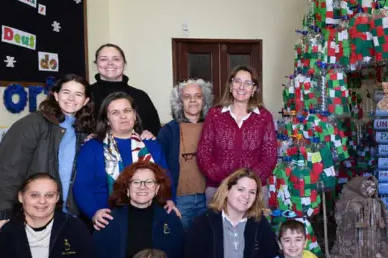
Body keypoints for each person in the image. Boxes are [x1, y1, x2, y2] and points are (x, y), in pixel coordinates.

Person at [0, 73, 95, 238]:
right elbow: (8, 169)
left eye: (78, 94)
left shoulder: (84, 130)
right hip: (35, 214)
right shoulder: (32, 124)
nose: (71, 98)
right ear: (56, 95)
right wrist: (3, 212)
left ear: (85, 101)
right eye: (66, 92)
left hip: (69, 215)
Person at [74, 93, 175, 231]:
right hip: (107, 219)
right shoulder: (92, 147)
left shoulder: (151, 145)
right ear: (107, 120)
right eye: (115, 113)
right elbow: (82, 185)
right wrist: (94, 212)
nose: (123, 116)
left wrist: (170, 200)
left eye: (127, 111)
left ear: (134, 115)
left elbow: (165, 178)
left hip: (149, 216)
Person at [196, 65, 278, 201]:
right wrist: (227, 182)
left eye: (248, 83)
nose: (241, 87)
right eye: (237, 81)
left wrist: (246, 184)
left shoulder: (264, 117)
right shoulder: (215, 114)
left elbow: (270, 158)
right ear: (230, 85)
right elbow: (203, 154)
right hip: (219, 189)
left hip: (253, 191)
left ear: (254, 89)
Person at [157, 79, 213, 229]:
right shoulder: (168, 131)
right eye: (187, 97)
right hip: (179, 199)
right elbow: (159, 168)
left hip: (208, 197)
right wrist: (167, 197)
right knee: (180, 239)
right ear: (180, 102)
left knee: (207, 239)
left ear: (204, 100)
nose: (193, 100)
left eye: (198, 96)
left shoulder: (213, 127)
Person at [87, 43, 161, 135]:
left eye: (116, 59)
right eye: (103, 59)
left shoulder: (141, 96)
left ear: (124, 64)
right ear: (96, 64)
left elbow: (155, 131)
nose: (110, 63)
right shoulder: (86, 94)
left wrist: (150, 135)